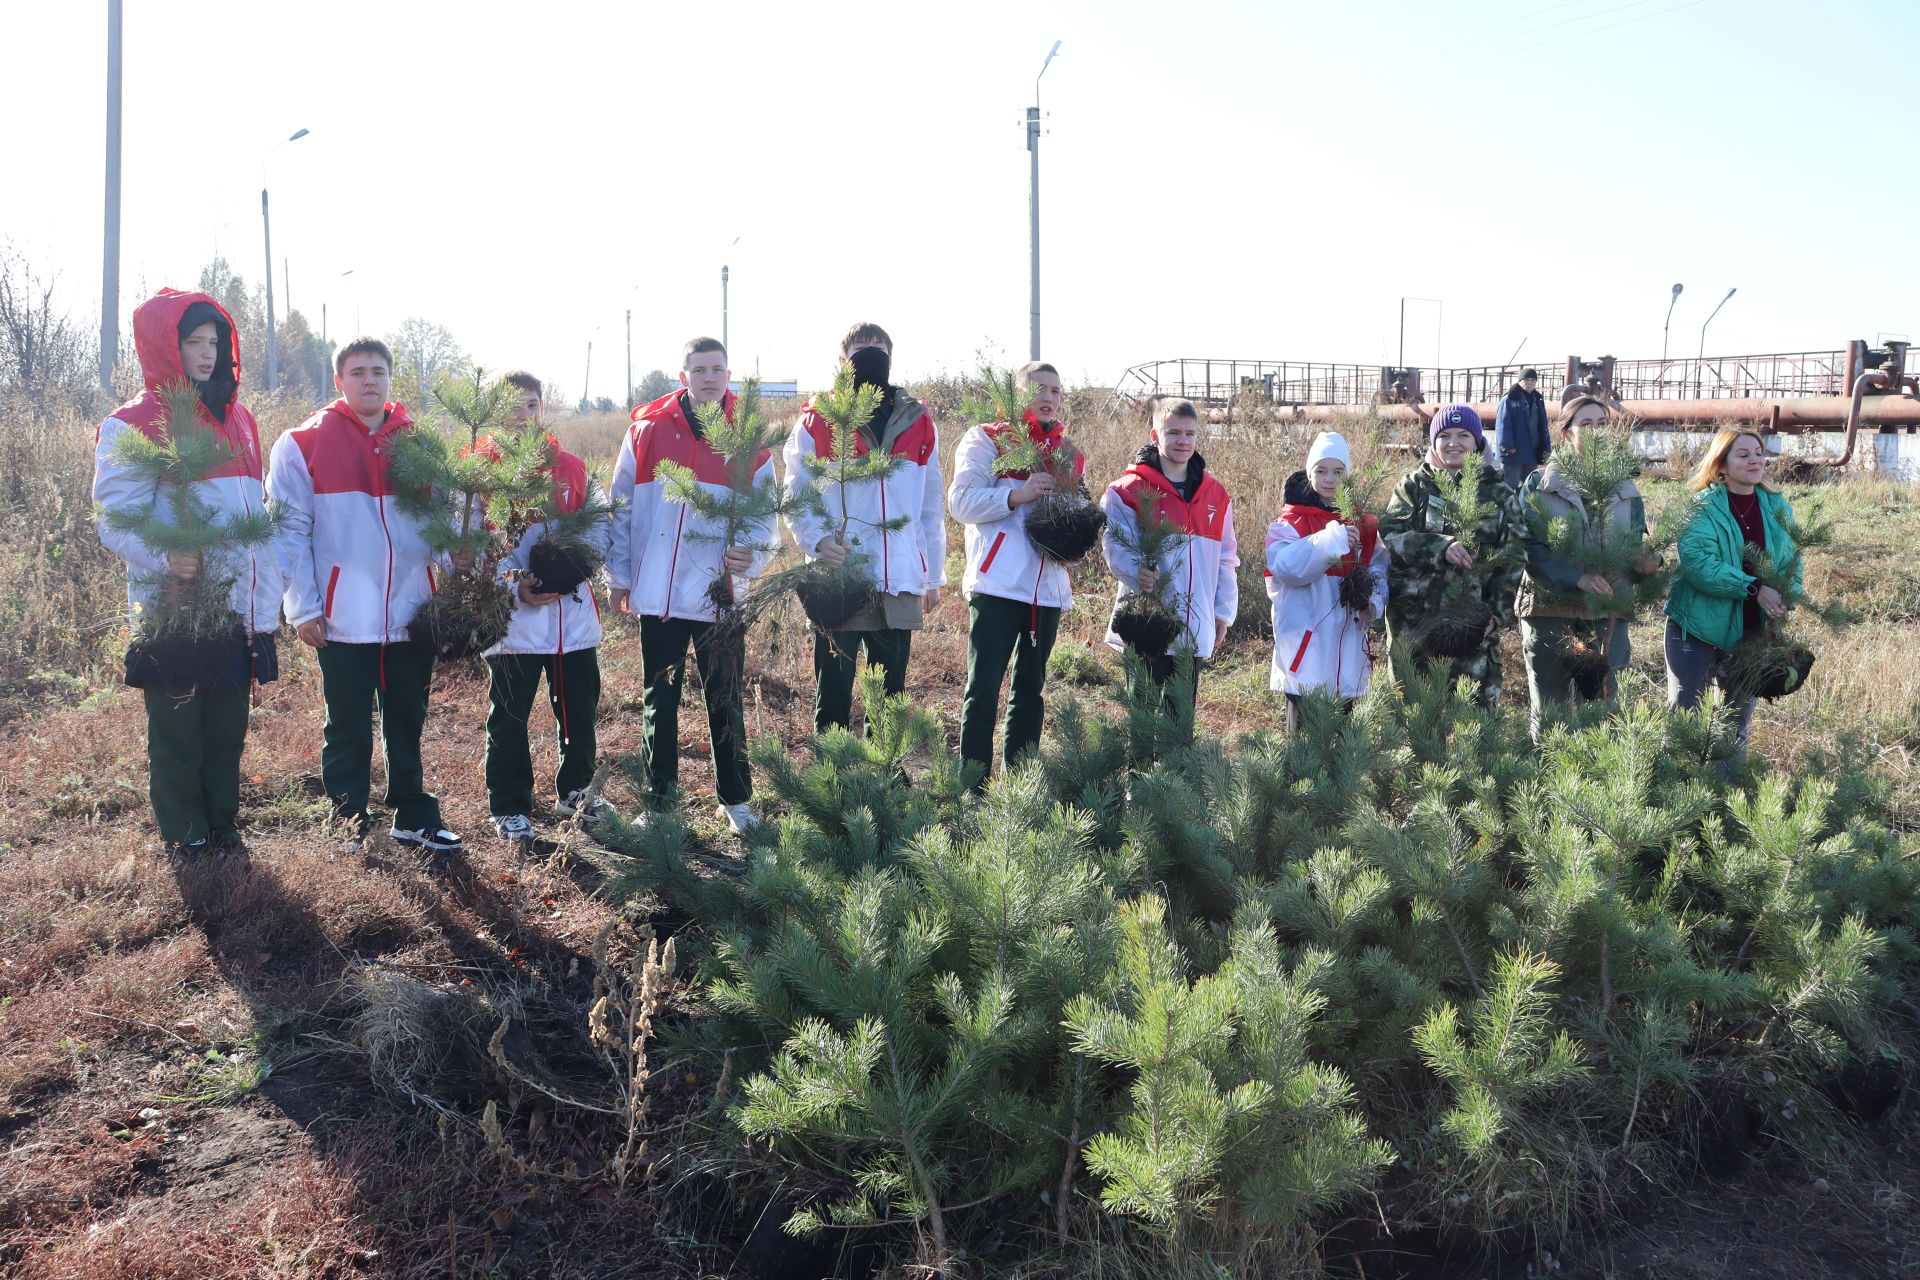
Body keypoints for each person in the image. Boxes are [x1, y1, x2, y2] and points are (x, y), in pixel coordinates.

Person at [93, 288, 283, 859]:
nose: (207, 353)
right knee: (178, 731)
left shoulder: (240, 417)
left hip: (233, 605)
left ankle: (224, 829)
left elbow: (256, 518)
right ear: (164, 347)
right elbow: (111, 519)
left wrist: (264, 606)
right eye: (193, 342)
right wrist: (165, 556)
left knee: (226, 730)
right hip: (175, 605)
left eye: (215, 341)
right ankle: (188, 835)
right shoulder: (131, 424)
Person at [268, 338, 463, 853]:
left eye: (378, 370)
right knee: (347, 724)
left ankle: (413, 815)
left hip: (410, 612)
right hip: (340, 616)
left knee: (407, 719)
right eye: (357, 372)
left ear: (391, 378)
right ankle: (347, 818)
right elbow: (289, 533)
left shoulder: (420, 446)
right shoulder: (302, 442)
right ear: (339, 380)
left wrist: (453, 566)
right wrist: (304, 607)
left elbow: (443, 522)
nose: (369, 380)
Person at [609, 337, 775, 835]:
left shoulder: (748, 441)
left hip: (718, 596)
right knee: (660, 697)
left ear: (729, 376)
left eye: (717, 369)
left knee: (725, 697)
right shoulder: (647, 430)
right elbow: (621, 509)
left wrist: (752, 556)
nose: (708, 377)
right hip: (658, 595)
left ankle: (736, 800)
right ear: (683, 376)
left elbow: (765, 519)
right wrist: (619, 576)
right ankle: (659, 805)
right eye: (699, 369)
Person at [783, 322, 947, 734]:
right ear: (842, 360)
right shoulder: (817, 421)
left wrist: (933, 576)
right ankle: (831, 779)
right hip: (841, 575)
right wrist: (818, 541)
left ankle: (886, 780)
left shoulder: (918, 420)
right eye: (860, 348)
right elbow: (796, 492)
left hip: (900, 577)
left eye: (878, 348)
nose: (870, 353)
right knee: (834, 691)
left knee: (891, 695)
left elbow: (929, 505)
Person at [480, 371, 615, 843]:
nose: (522, 415)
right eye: (513, 406)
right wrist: (515, 585)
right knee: (510, 717)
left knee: (579, 710)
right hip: (513, 623)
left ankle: (576, 790)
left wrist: (574, 568)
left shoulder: (574, 469)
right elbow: (467, 549)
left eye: (531, 405)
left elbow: (600, 528)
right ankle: (510, 804)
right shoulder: (479, 472)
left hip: (571, 620)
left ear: (544, 407)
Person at [948, 360, 1084, 782]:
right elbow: (961, 503)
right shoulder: (986, 440)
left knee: (1030, 692)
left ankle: (1020, 789)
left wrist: (1076, 543)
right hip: (998, 586)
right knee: (983, 690)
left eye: (1056, 391)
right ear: (1017, 394)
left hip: (1047, 592)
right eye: (1038, 388)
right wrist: (1017, 495)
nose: (1047, 397)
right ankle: (971, 788)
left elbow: (1076, 516)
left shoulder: (1068, 454)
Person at [1514, 397, 1663, 736]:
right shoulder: (1539, 485)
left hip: (1607, 614)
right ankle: (1551, 783)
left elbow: (1635, 546)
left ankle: (1598, 785)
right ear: (1566, 433)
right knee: (1551, 714)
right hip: (1549, 610)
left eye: (1602, 424)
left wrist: (1648, 563)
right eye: (1586, 424)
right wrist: (1578, 578)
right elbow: (1529, 548)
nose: (1596, 431)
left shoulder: (1625, 488)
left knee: (1604, 711)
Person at [1379, 403, 1526, 706]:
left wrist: (1498, 615)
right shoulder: (1412, 488)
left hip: (1471, 628)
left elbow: (1513, 557)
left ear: (1477, 442)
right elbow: (1390, 537)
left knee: (1473, 721)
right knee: (1416, 720)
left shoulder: (1500, 495)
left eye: (1463, 435)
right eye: (1444, 435)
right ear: (1433, 441)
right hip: (1414, 625)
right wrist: (1439, 546)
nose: (1453, 443)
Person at [1663, 427, 1796, 754]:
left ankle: (1727, 798)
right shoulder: (1703, 507)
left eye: (1758, 453)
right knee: (1685, 719)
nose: (1755, 460)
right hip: (1696, 628)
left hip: (1751, 633)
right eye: (1743, 454)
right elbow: (1697, 562)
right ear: (1720, 465)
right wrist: (1753, 588)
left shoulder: (1777, 506)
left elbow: (1793, 558)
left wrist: (1787, 596)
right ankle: (1676, 794)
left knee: (1735, 726)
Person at [1099, 398, 1239, 703]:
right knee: (1143, 713)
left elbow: (1227, 558)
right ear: (1154, 435)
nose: (1182, 441)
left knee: (1180, 722)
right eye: (1174, 432)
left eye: (1190, 434)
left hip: (1194, 625)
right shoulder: (1127, 489)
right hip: (1145, 623)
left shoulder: (1216, 494)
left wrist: (1223, 612)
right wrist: (1137, 572)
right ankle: (1140, 754)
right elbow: (1114, 543)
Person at [1265, 431, 1387, 730]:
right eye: (1321, 471)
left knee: (1343, 746)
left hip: (1349, 653)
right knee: (1304, 745)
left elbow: (1380, 571)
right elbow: (1286, 567)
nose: (1330, 479)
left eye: (1338, 472)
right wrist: (1333, 538)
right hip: (1305, 655)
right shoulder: (1289, 523)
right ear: (1310, 474)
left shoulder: (1365, 524)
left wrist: (1373, 603)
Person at [1494, 368, 1551, 489]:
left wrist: (1546, 448)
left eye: (1532, 380)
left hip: (1531, 451)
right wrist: (1507, 446)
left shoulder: (1538, 400)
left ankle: (1524, 508)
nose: (1529, 383)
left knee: (1529, 486)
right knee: (1509, 485)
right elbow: (1502, 424)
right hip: (1513, 453)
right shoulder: (1509, 399)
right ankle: (1508, 508)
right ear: (1520, 381)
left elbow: (1543, 426)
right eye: (1526, 379)